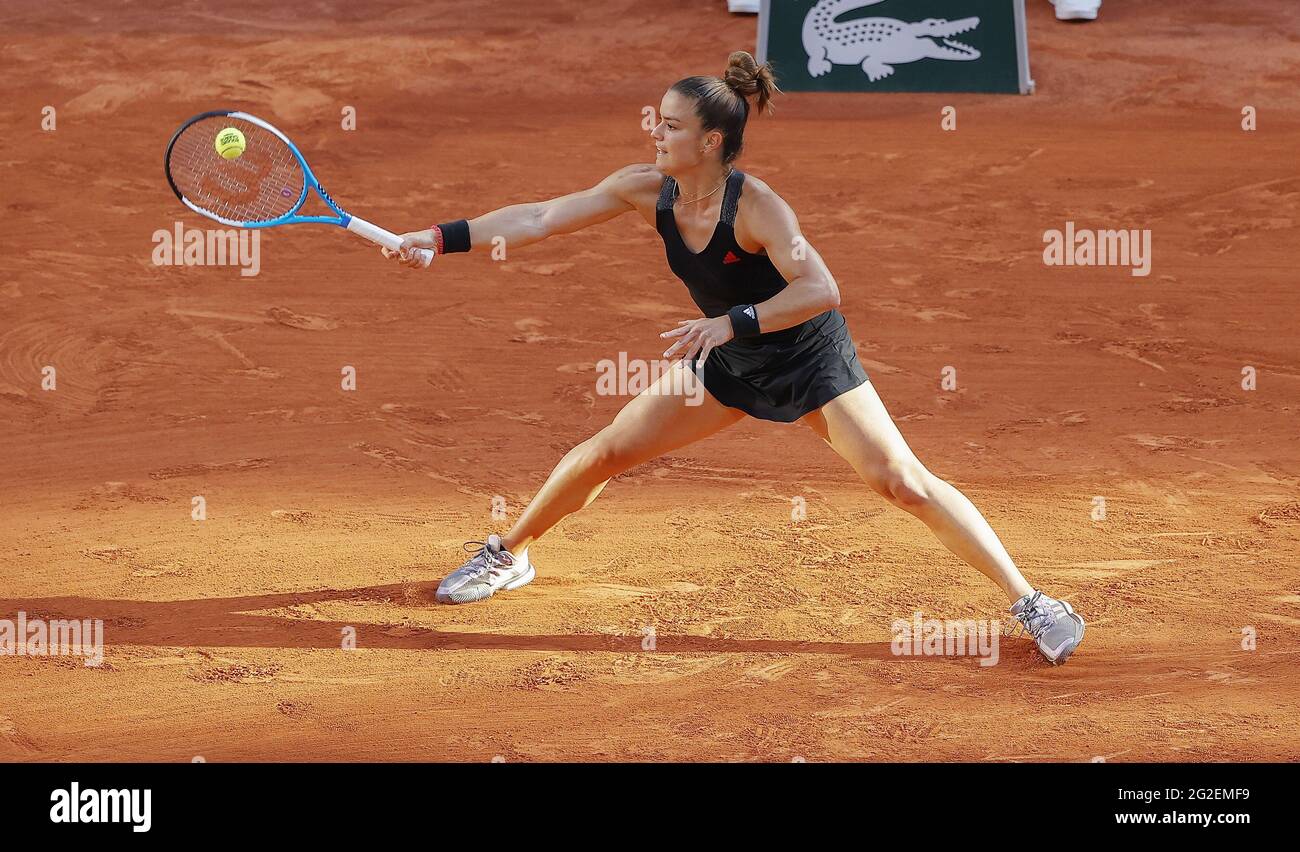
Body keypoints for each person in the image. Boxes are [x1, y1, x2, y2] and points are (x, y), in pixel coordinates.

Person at [381, 51, 1086, 664]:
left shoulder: (760, 209)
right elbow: (538, 217)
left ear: (711, 140)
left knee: (903, 483)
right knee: (605, 453)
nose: (655, 132)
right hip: (726, 359)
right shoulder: (642, 188)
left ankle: (1033, 602)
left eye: (671, 125)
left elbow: (822, 289)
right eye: (657, 120)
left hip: (808, 361)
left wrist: (732, 321)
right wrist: (438, 239)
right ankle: (511, 553)